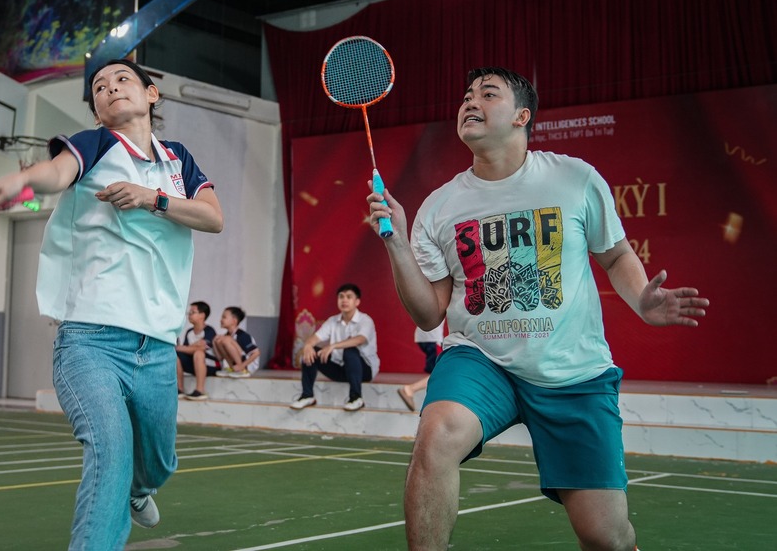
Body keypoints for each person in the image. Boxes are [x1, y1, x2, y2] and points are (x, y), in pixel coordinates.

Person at [366, 67, 708, 551]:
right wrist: (397, 243)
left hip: (572, 370)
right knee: (437, 434)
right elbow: (429, 314)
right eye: (466, 96)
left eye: (488, 94)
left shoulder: (574, 179)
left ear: (522, 116)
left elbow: (615, 255)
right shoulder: (439, 207)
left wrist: (641, 302)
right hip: (481, 358)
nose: (470, 102)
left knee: (605, 536)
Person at [0, 58, 224, 550]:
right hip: (89, 341)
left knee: (159, 464)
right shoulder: (95, 144)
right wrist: (20, 182)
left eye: (122, 79)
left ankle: (139, 490)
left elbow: (213, 218)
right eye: (99, 88)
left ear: (151, 94)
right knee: (110, 451)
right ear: (96, 110)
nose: (110, 89)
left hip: (156, 344)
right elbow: (54, 172)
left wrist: (152, 198)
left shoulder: (177, 160)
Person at [290, 283, 379, 412]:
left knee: (350, 350)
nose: (344, 300)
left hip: (364, 370)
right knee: (312, 351)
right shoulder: (332, 321)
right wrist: (308, 345)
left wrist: (333, 346)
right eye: (341, 297)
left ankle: (356, 398)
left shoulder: (365, 320)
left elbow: (360, 339)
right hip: (341, 369)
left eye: (349, 297)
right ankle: (307, 395)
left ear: (357, 302)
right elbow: (315, 337)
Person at [176, 301, 218, 400]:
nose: (189, 315)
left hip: (210, 364)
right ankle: (179, 389)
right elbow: (184, 350)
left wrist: (187, 348)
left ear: (202, 315)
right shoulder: (189, 332)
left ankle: (200, 390)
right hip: (194, 363)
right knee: (176, 356)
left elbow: (203, 348)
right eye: (189, 312)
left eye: (193, 312)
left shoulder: (209, 330)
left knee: (199, 353)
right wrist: (195, 345)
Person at [398, 322, 444, 412]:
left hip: (426, 336)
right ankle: (410, 389)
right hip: (432, 337)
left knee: (440, 372)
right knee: (441, 373)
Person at [212, 306, 261, 378]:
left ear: (234, 321)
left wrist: (242, 365)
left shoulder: (242, 335)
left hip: (247, 365)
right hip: (236, 365)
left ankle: (241, 370)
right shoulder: (225, 336)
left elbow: (256, 353)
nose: (221, 320)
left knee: (226, 339)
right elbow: (220, 358)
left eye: (224, 317)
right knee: (220, 340)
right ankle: (232, 368)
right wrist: (214, 342)